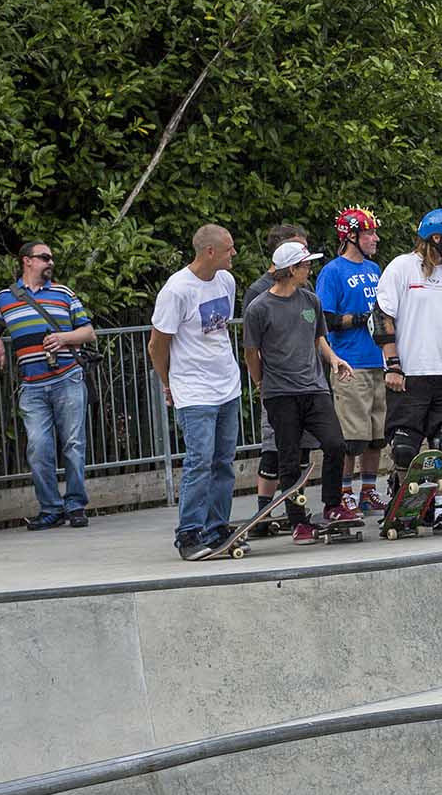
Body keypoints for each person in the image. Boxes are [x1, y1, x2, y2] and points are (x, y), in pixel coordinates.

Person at [375, 208, 442, 533]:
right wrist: (392, 365)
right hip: (410, 374)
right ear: (436, 239)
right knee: (406, 448)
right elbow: (380, 317)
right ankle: (403, 507)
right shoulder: (401, 269)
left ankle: (440, 513)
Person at [242, 239, 358, 543]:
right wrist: (260, 383)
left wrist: (334, 359)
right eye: (305, 265)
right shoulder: (259, 308)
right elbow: (251, 352)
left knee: (335, 444)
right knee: (289, 459)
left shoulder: (311, 301)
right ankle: (299, 522)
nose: (309, 269)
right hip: (281, 394)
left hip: (314, 387)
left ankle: (332, 505)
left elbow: (319, 337)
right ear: (291, 269)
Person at [0, 239, 95, 529]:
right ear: (27, 261)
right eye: (44, 258)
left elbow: (88, 332)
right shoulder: (5, 298)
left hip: (67, 377)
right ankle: (51, 508)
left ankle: (75, 506)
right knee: (38, 447)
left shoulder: (63, 293)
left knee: (73, 443)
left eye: (51, 258)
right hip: (31, 384)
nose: (50, 263)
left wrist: (64, 339)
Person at [148, 224, 243, 558]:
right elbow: (157, 343)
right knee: (199, 460)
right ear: (210, 252)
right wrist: (167, 381)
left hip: (226, 384)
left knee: (223, 461)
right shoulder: (177, 290)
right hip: (193, 389)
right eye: (229, 249)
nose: (235, 254)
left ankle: (217, 527)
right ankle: (189, 532)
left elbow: (219, 330)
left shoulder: (226, 282)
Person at [318, 206, 389, 513]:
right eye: (369, 232)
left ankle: (369, 491)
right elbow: (326, 319)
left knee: (376, 436)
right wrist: (360, 318)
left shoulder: (375, 269)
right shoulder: (333, 271)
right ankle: (345, 491)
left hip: (378, 360)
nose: (375, 238)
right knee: (352, 438)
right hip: (350, 362)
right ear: (351, 236)